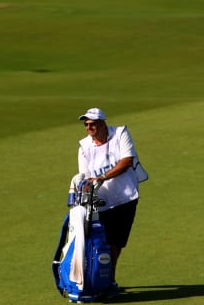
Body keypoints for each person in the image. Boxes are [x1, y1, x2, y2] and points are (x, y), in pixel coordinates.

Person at [76, 107, 144, 294]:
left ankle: (107, 279)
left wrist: (103, 177)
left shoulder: (120, 134)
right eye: (86, 124)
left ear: (103, 123)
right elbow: (85, 175)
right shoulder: (84, 146)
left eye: (93, 124)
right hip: (100, 202)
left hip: (125, 197)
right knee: (100, 241)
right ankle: (99, 280)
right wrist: (85, 187)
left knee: (116, 243)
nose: (89, 128)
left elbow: (127, 160)